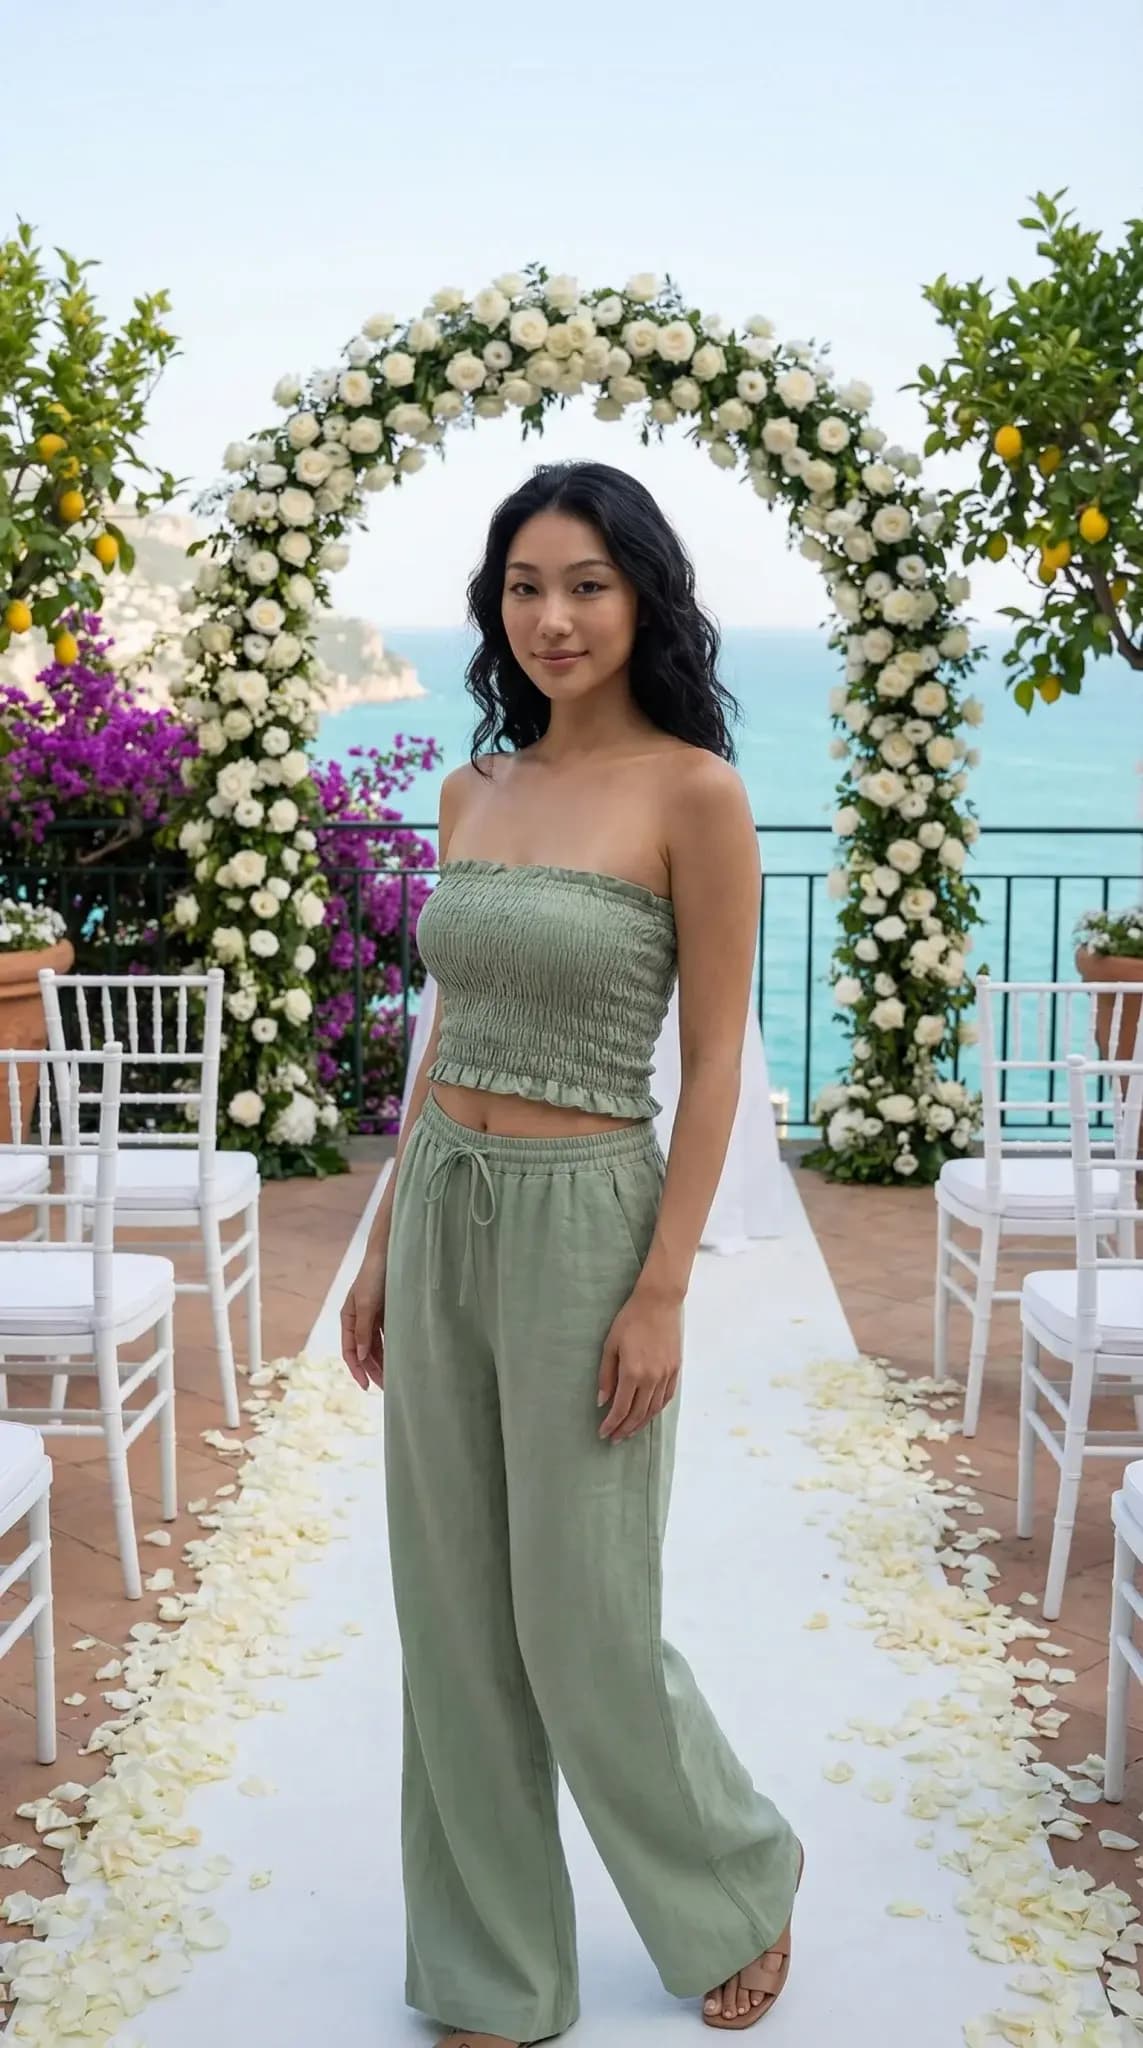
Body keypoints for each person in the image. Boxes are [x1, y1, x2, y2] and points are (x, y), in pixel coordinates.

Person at [341, 459, 802, 2047]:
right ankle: (493, 1966)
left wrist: (664, 1286)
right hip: (450, 1194)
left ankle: (734, 1876)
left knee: (582, 1615)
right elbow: (446, 1026)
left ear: (644, 597)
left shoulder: (697, 794)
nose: (553, 616)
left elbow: (722, 1065)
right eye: (525, 586)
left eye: (587, 584)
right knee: (454, 1608)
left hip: (590, 1218)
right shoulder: (478, 790)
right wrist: (386, 1232)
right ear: (497, 606)